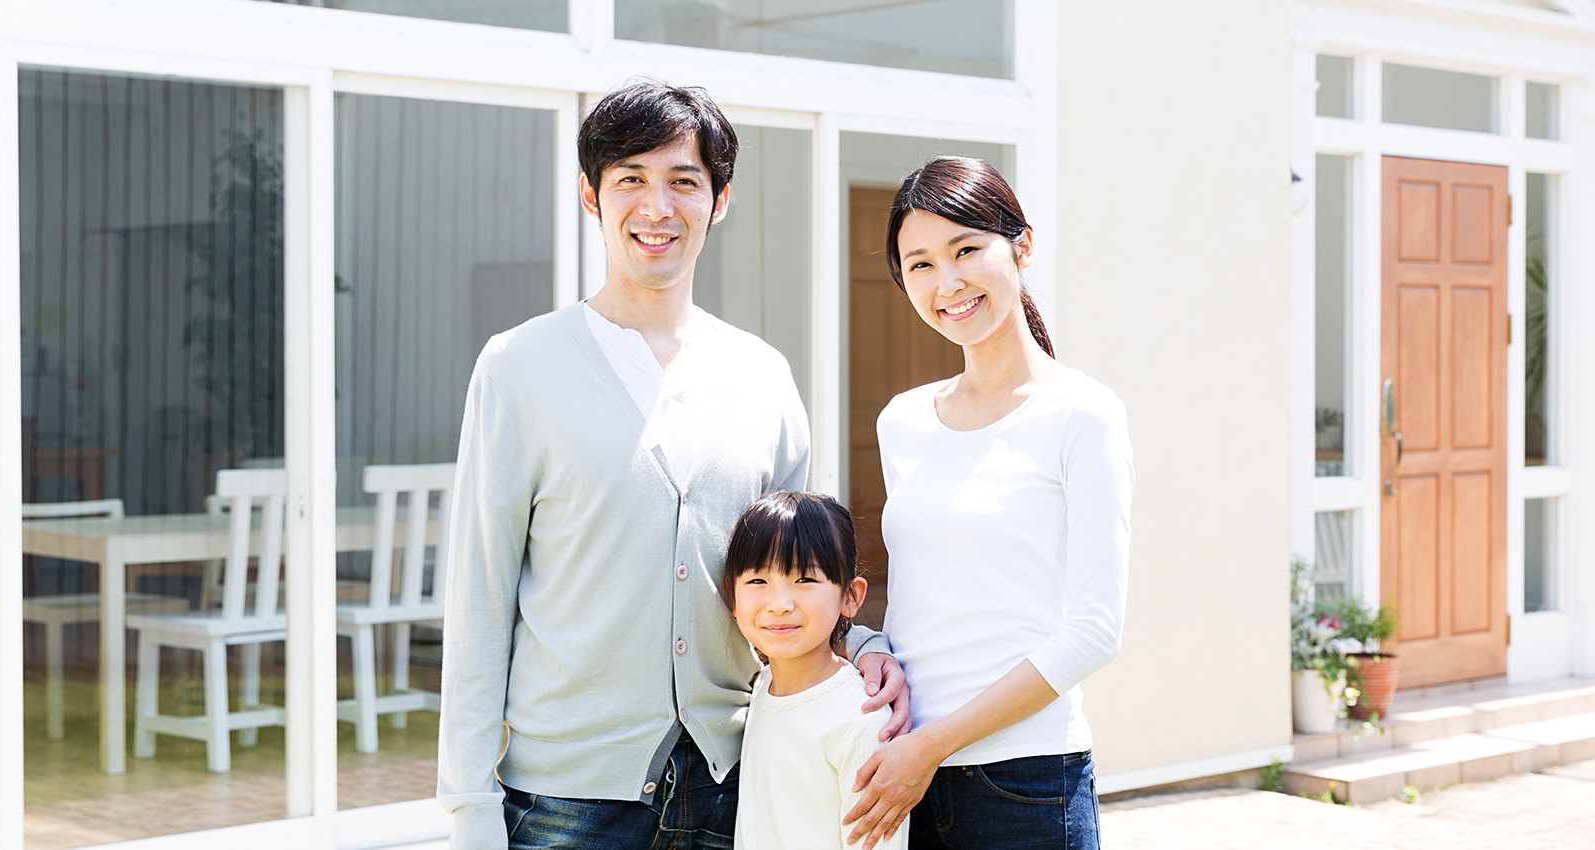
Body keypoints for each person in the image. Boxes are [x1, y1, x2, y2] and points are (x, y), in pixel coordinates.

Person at [436, 79, 908, 850]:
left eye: (684, 181)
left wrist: (863, 645)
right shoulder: (519, 366)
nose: (657, 207)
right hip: (567, 803)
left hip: (733, 786)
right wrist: (467, 808)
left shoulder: (762, 375)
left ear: (719, 201)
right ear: (591, 196)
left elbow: (792, 573)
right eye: (630, 179)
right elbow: (478, 600)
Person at [843, 156, 1134, 850]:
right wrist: (871, 647)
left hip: (1025, 784)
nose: (948, 283)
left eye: (967, 250)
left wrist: (933, 746)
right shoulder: (902, 422)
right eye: (920, 264)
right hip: (906, 773)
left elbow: (1095, 632)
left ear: (1021, 247)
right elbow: (926, 595)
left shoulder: (1082, 414)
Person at [722, 492, 910, 850]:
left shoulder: (861, 720)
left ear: (850, 597)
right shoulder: (760, 687)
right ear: (733, 596)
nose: (779, 604)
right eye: (758, 582)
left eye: (805, 580)